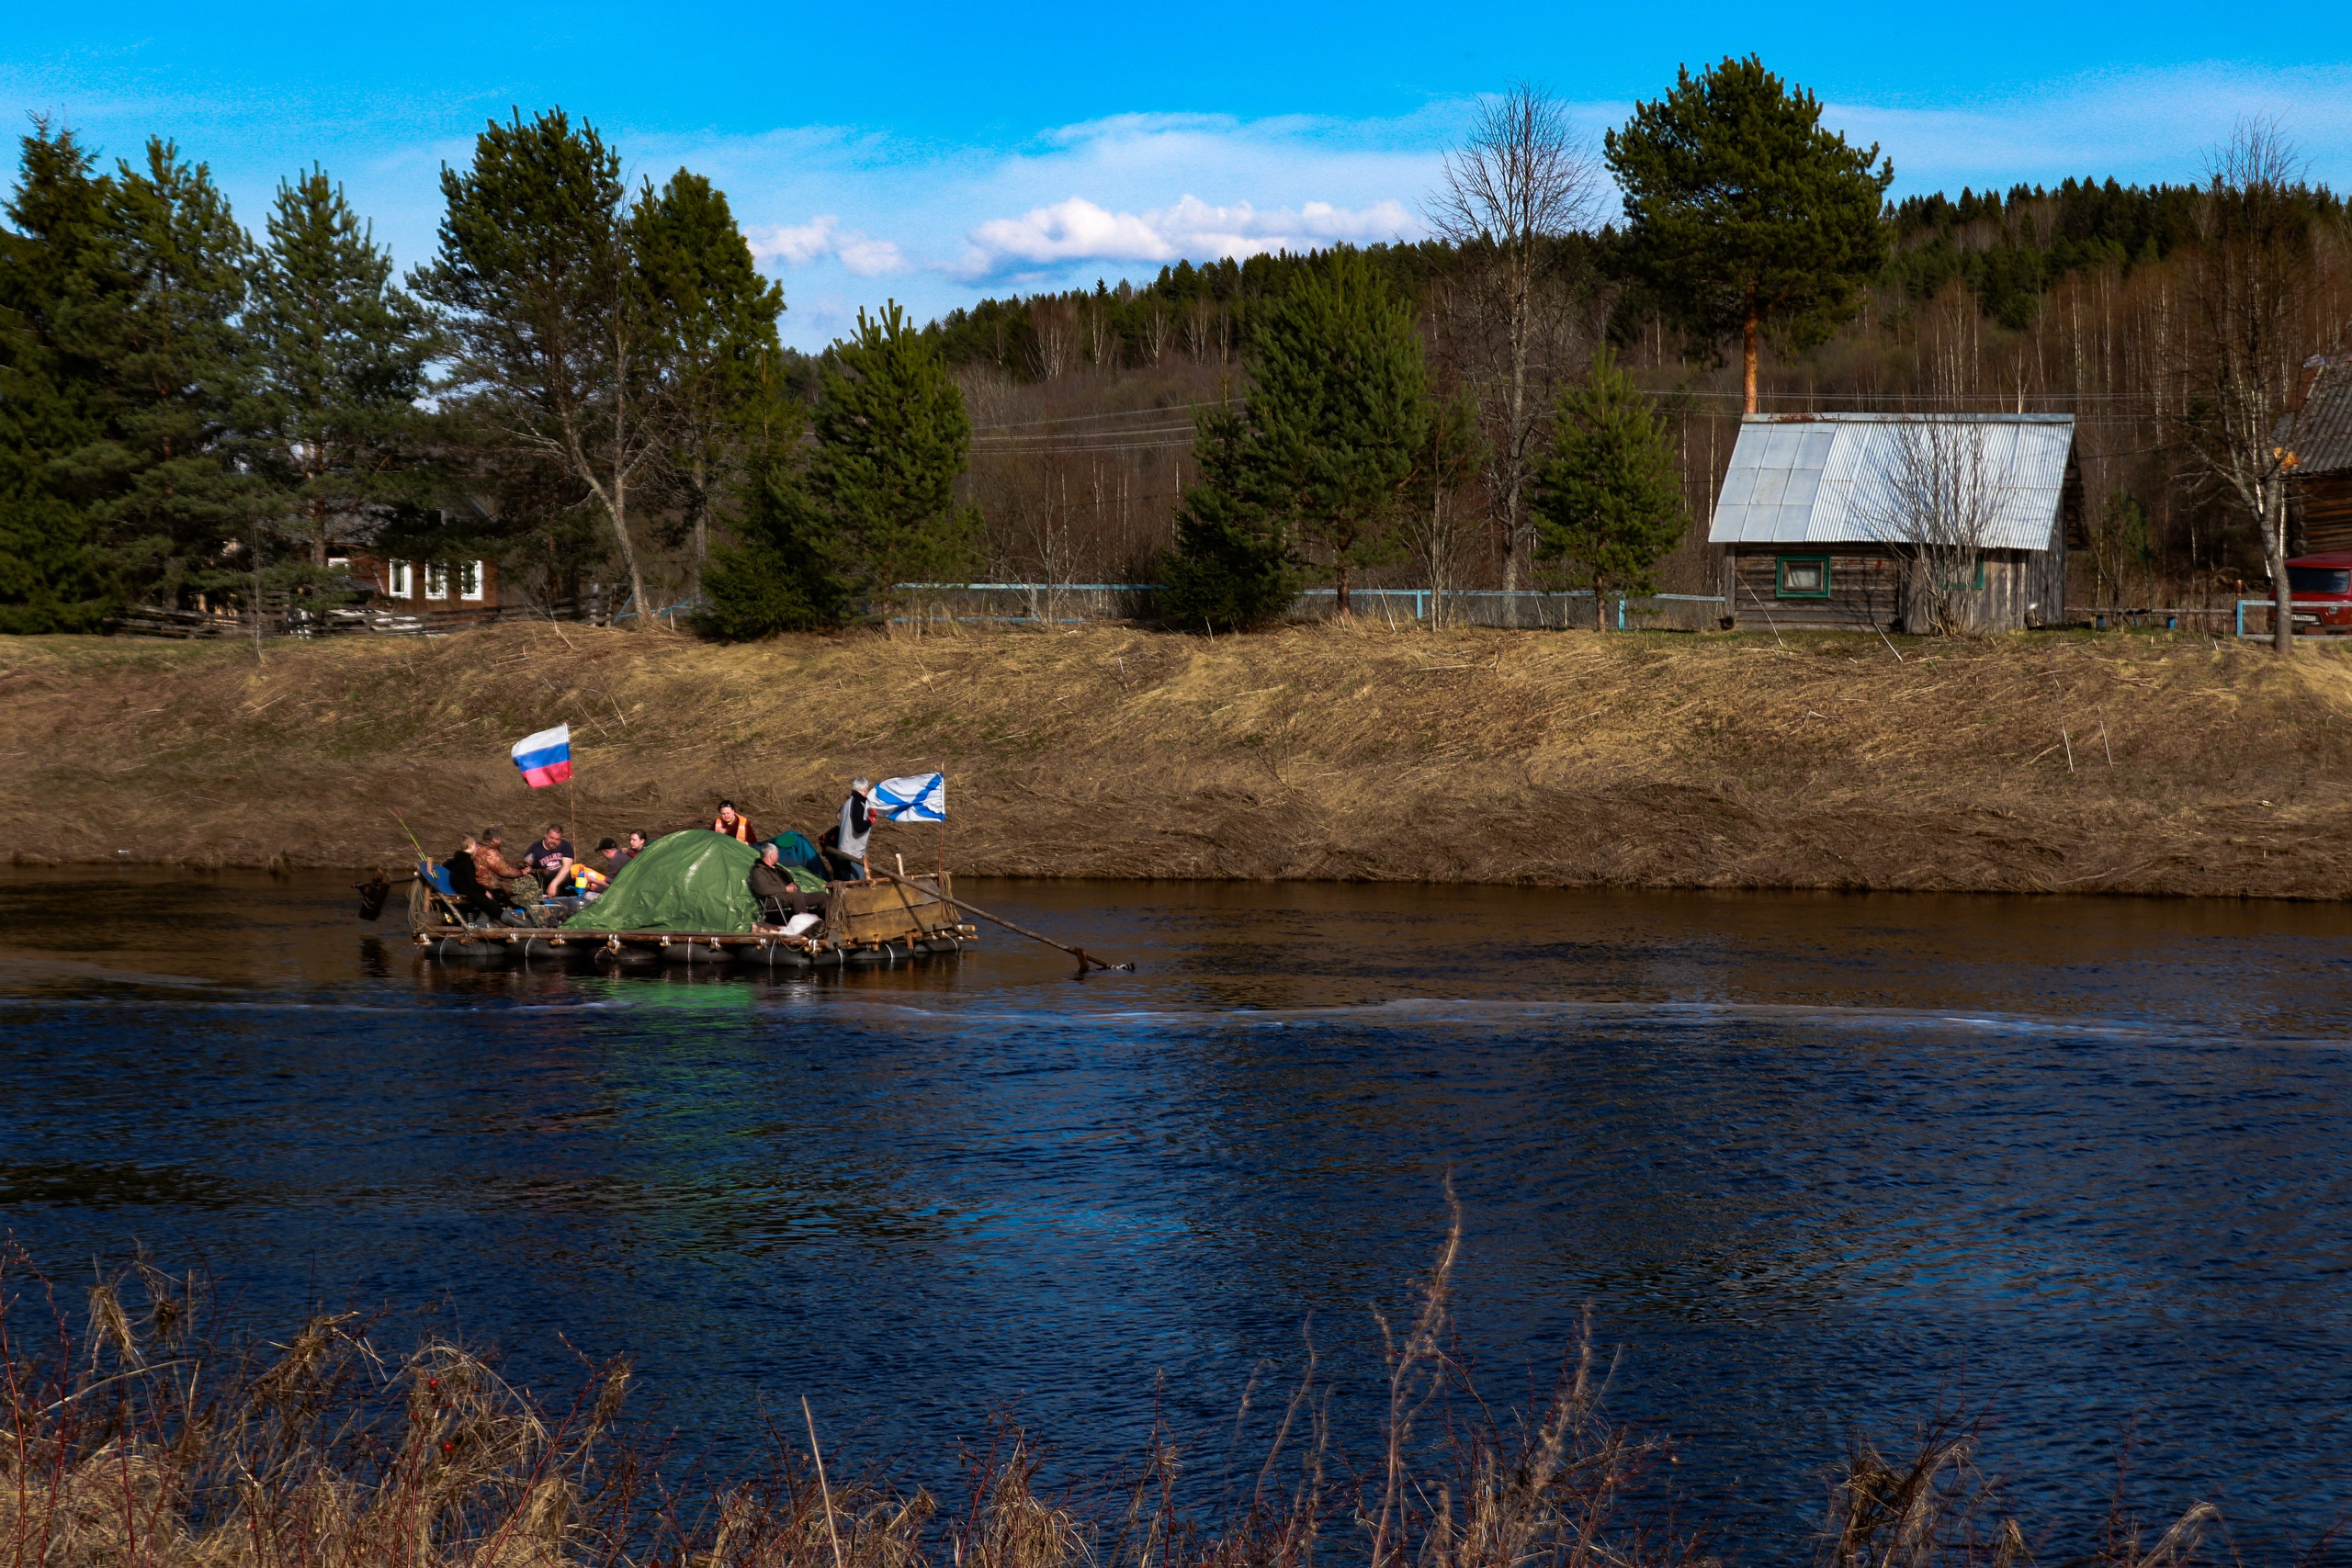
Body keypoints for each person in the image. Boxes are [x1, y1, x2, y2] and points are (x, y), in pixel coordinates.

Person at [748, 842, 831, 926]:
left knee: (822, 896)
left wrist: (794, 886)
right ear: (771, 856)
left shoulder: (778, 869)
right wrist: (785, 889)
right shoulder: (758, 871)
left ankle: (827, 923)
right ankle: (806, 926)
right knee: (796, 895)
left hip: (789, 896)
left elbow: (790, 881)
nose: (778, 856)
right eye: (777, 854)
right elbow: (763, 890)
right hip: (774, 899)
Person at [822, 777, 876, 882]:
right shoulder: (857, 803)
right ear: (864, 790)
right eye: (867, 790)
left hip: (843, 851)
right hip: (853, 854)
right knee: (858, 887)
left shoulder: (848, 802)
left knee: (846, 885)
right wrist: (871, 820)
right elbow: (859, 827)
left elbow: (839, 816)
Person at [527, 824, 575, 895]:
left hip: (564, 884)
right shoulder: (535, 848)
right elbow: (527, 867)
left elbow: (566, 867)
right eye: (551, 838)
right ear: (545, 835)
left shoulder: (566, 846)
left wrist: (554, 884)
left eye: (557, 839)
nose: (553, 841)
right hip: (544, 886)